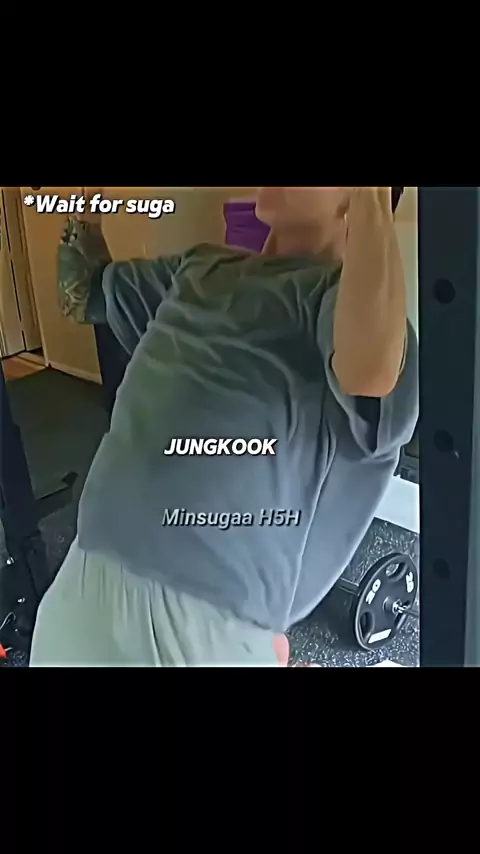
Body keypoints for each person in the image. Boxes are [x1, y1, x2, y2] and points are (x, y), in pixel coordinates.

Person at [30, 187, 418, 667]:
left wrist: (372, 204)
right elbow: (83, 292)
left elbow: (370, 373)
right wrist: (86, 203)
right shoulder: (201, 268)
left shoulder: (336, 309)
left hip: (201, 625)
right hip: (83, 581)